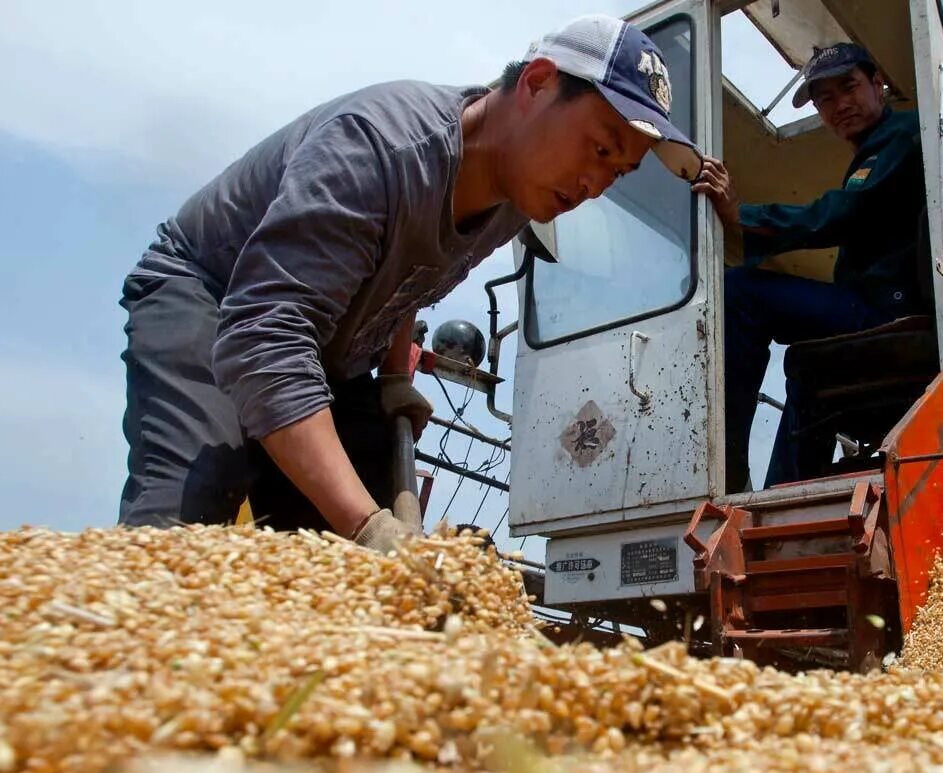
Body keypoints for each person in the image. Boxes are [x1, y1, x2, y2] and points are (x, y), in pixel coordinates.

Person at [117, 15, 700, 550]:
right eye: (599, 148)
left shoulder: (517, 198)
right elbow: (262, 337)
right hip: (212, 297)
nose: (595, 184)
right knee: (188, 519)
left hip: (318, 342)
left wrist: (395, 375)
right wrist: (366, 526)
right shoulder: (377, 150)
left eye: (617, 172)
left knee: (355, 496)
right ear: (538, 83)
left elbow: (414, 277)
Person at [692, 42, 932, 492]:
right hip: (874, 307)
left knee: (741, 292)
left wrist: (742, 214)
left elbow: (842, 212)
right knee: (806, 374)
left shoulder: (903, 135)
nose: (839, 105)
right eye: (825, 99)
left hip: (889, 312)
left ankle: (722, 465)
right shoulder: (876, 149)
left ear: (877, 81)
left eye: (848, 88)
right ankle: (781, 497)